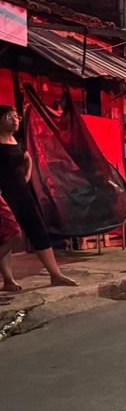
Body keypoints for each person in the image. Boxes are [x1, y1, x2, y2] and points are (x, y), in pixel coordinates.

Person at [0, 105, 76, 290]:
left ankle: (55, 274)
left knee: (38, 230)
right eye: (10, 117)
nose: (15, 120)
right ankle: (9, 280)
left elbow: (28, 158)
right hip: (4, 195)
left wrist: (27, 176)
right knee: (7, 236)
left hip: (23, 194)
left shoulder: (16, 142)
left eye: (16, 117)